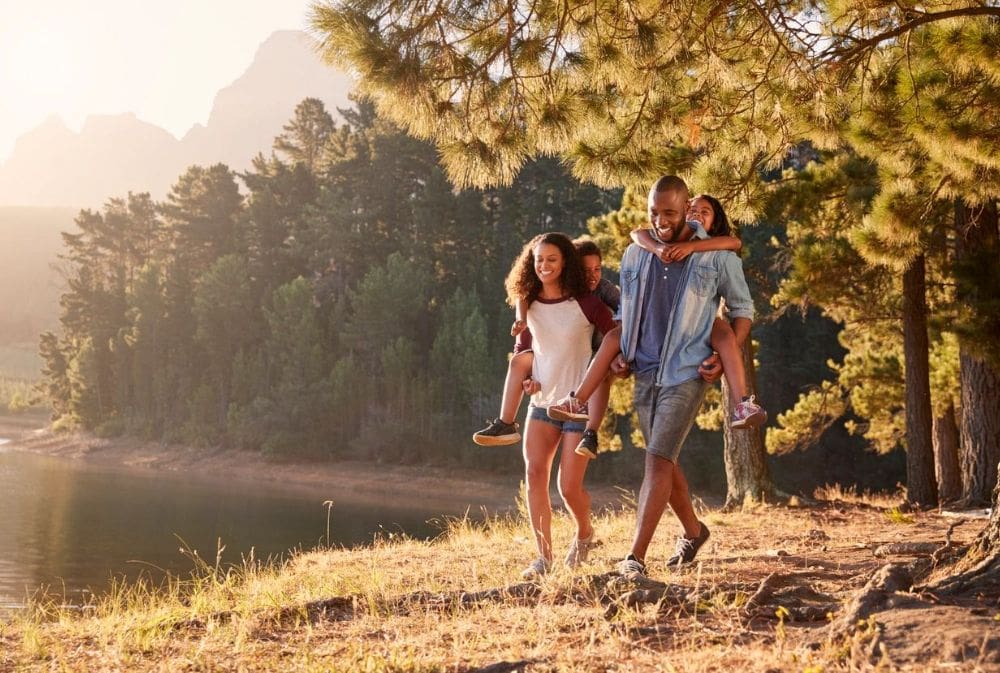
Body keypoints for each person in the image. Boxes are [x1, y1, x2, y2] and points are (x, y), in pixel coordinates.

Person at [596, 176, 755, 577]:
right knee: (665, 462)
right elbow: (625, 312)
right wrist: (622, 354)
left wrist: (725, 352)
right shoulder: (636, 253)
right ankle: (694, 531)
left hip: (686, 371)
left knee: (656, 461)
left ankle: (634, 558)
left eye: (669, 212)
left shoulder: (717, 257)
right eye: (654, 212)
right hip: (644, 370)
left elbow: (742, 309)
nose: (660, 220)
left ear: (685, 209)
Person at [548, 194, 766, 431]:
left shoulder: (717, 250)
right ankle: (577, 400)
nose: (697, 215)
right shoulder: (664, 239)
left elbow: (733, 243)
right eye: (692, 210)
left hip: (698, 320)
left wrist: (690, 246)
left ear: (715, 221)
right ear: (683, 213)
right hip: (658, 324)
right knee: (613, 337)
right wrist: (659, 247)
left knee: (724, 334)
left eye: (705, 212)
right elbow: (637, 234)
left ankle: (743, 404)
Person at [502, 232, 616, 579]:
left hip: (576, 407)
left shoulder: (588, 303)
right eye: (539, 260)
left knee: (568, 487)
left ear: (565, 261)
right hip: (541, 404)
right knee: (535, 475)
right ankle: (543, 558)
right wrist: (527, 379)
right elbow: (525, 349)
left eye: (552, 259)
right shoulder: (531, 303)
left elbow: (614, 338)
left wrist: (618, 366)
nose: (544, 266)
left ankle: (585, 534)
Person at [472, 238, 620, 451]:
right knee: (519, 360)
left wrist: (619, 354)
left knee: (600, 370)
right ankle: (505, 423)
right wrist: (530, 377)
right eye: (539, 260)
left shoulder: (598, 294)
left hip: (593, 359)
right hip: (545, 398)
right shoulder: (532, 298)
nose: (592, 275)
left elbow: (621, 319)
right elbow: (523, 340)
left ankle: (591, 432)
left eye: (597, 269)